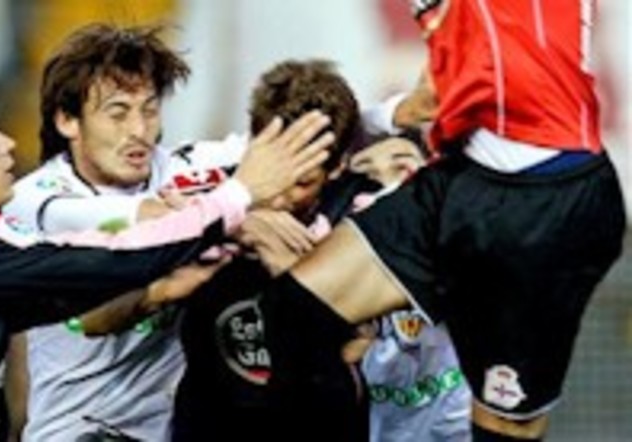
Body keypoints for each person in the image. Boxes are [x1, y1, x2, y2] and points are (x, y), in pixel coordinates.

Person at [0, 66, 333, 441]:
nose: (7, 145)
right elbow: (110, 257)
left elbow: (70, 298)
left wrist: (160, 289)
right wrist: (236, 196)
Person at [259, 1, 627, 441]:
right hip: (467, 173)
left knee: (504, 419)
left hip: (544, 202)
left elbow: (439, 94)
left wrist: (360, 125)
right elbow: (433, 92)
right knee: (297, 311)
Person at [0, 23, 334, 441]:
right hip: (78, 428)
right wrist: (240, 211)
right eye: (118, 113)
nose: (138, 130)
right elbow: (144, 221)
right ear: (68, 120)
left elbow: (295, 143)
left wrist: (389, 116)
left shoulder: (182, 167)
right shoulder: (34, 200)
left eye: (150, 109)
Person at [172, 59, 374, 442]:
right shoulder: (203, 194)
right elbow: (137, 217)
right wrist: (235, 220)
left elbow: (361, 345)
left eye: (301, 183)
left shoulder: (364, 217)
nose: (279, 197)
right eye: (274, 172)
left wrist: (294, 272)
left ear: (338, 167)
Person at [348, 130, 472, 442]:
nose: (386, 183)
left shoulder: (461, 241)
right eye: (367, 173)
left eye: (402, 166)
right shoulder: (335, 266)